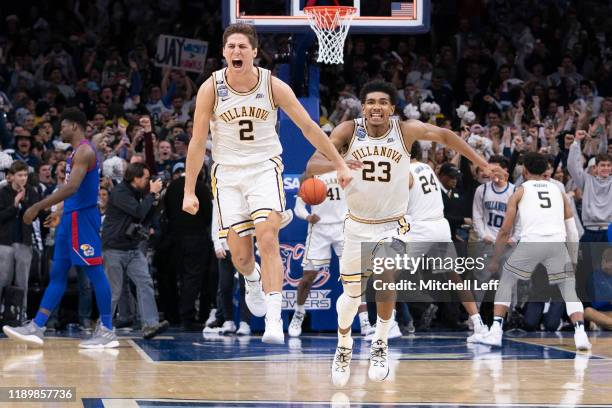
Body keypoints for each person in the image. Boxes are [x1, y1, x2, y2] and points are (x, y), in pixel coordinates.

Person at [306, 80, 500, 386]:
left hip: (393, 224)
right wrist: (339, 163)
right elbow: (312, 164)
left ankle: (380, 343)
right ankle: (344, 345)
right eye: (371, 101)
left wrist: (481, 162)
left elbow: (446, 136)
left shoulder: (405, 131)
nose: (376, 107)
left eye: (383, 102)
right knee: (351, 296)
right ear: (363, 106)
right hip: (356, 224)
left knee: (385, 280)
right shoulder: (347, 131)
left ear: (392, 109)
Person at [182, 23, 351, 344]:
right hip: (228, 174)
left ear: (255, 52)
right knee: (241, 258)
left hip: (264, 169)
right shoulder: (210, 88)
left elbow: (309, 128)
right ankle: (252, 279)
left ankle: (274, 322)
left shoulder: (272, 86)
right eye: (231, 46)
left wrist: (340, 162)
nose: (236, 51)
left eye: (243, 47)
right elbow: (196, 141)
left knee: (268, 235)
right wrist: (190, 190)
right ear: (223, 52)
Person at [2, 108, 118, 348]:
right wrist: (59, 211)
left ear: (74, 126)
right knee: (58, 273)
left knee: (95, 272)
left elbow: (73, 188)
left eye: (63, 125)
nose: (60, 130)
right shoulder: (79, 150)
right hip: (71, 218)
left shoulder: (84, 151)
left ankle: (107, 329)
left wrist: (37, 207)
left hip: (83, 220)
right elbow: (78, 191)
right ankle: (38, 325)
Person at [481, 152, 591, 350]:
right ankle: (581, 333)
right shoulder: (559, 191)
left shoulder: (520, 191)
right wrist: (573, 259)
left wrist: (496, 259)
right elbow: (572, 230)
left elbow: (505, 230)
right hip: (557, 244)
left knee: (506, 281)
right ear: (546, 171)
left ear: (524, 170)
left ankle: (496, 330)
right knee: (568, 290)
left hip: (531, 243)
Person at [406, 142, 488, 341]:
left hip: (421, 228)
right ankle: (478, 323)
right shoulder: (427, 169)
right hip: (440, 227)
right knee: (455, 278)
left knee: (389, 274)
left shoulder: (404, 172)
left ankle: (390, 323)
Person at [101, 162, 169, 339]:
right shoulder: (120, 193)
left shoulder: (139, 193)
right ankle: (103, 327)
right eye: (146, 178)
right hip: (114, 248)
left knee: (145, 282)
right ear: (135, 178)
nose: (148, 182)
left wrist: (156, 200)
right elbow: (138, 212)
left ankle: (150, 324)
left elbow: (147, 217)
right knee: (114, 291)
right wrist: (152, 193)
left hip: (131, 247)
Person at [288, 171, 347, 337]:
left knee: (354, 277)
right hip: (319, 229)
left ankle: (364, 321)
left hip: (343, 227)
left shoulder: (345, 169)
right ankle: (299, 314)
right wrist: (307, 215)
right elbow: (298, 206)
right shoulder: (310, 174)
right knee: (307, 277)